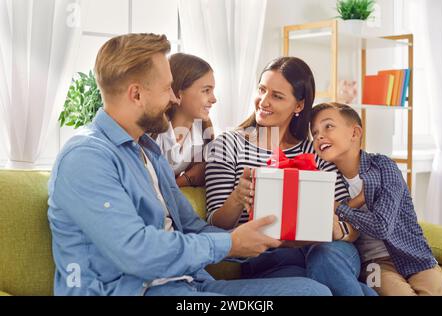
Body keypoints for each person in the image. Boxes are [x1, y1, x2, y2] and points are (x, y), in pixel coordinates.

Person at [47, 33, 332, 296]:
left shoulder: (147, 151)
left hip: (189, 284)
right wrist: (230, 243)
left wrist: (254, 239)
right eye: (167, 88)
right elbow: (137, 252)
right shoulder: (86, 158)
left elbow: (193, 227)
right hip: (133, 290)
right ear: (136, 94)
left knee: (312, 293)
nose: (174, 98)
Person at [205, 57, 377, 296]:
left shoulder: (314, 150)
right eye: (262, 90)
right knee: (337, 287)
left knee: (325, 257)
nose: (263, 101)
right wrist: (237, 197)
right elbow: (214, 222)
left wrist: (339, 230)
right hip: (272, 258)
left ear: (299, 106)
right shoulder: (227, 145)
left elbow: (346, 213)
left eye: (277, 96)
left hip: (327, 249)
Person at [310, 102, 442, 296]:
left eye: (328, 126)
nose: (320, 136)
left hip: (415, 255)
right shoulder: (327, 181)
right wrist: (355, 202)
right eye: (315, 133)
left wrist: (342, 208)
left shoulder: (384, 167)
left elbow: (382, 226)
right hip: (374, 264)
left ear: (355, 133)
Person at [155, 53, 216, 187]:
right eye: (206, 90)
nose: (214, 99)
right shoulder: (153, 133)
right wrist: (185, 180)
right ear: (178, 93)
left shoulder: (202, 134)